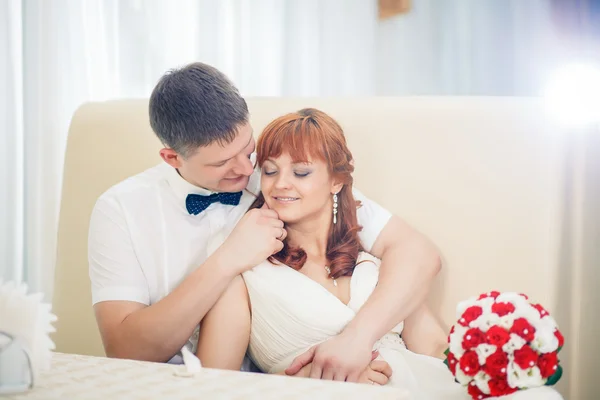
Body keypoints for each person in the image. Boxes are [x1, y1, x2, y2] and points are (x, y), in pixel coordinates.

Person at [88, 62, 441, 380]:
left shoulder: (279, 179)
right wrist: (227, 260)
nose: (246, 170)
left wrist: (356, 341)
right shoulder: (121, 209)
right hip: (184, 385)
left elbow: (417, 253)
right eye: (222, 163)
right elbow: (126, 351)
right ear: (171, 157)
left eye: (247, 149)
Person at [196, 108, 564, 400]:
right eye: (271, 171)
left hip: (424, 386)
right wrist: (309, 380)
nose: (281, 184)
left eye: (302, 171)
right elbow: (214, 386)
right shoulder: (246, 269)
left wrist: (496, 358)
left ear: (336, 181)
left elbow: (433, 345)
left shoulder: (375, 262)